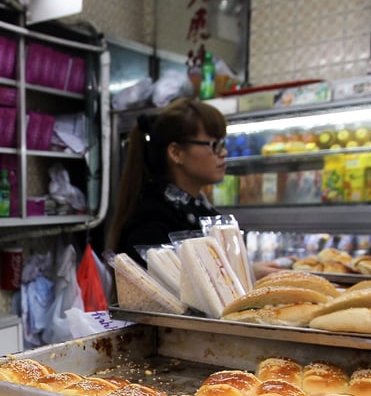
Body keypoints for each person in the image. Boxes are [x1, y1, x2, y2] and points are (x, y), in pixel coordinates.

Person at [107, 97, 281, 277]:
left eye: (222, 143)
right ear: (176, 152)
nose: (223, 152)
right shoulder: (151, 220)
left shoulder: (198, 210)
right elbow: (167, 295)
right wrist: (246, 276)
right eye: (214, 145)